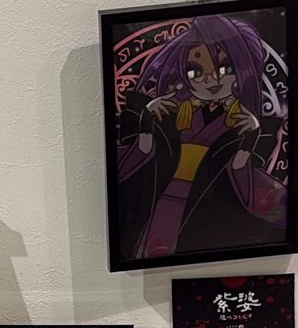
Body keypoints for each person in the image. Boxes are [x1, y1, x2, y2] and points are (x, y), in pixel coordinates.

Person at [116, 14, 288, 259]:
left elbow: (244, 181)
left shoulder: (244, 124)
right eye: (196, 71)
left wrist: (249, 141)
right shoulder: (165, 112)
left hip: (206, 209)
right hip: (160, 199)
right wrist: (147, 122)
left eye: (226, 68)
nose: (212, 79)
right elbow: (137, 158)